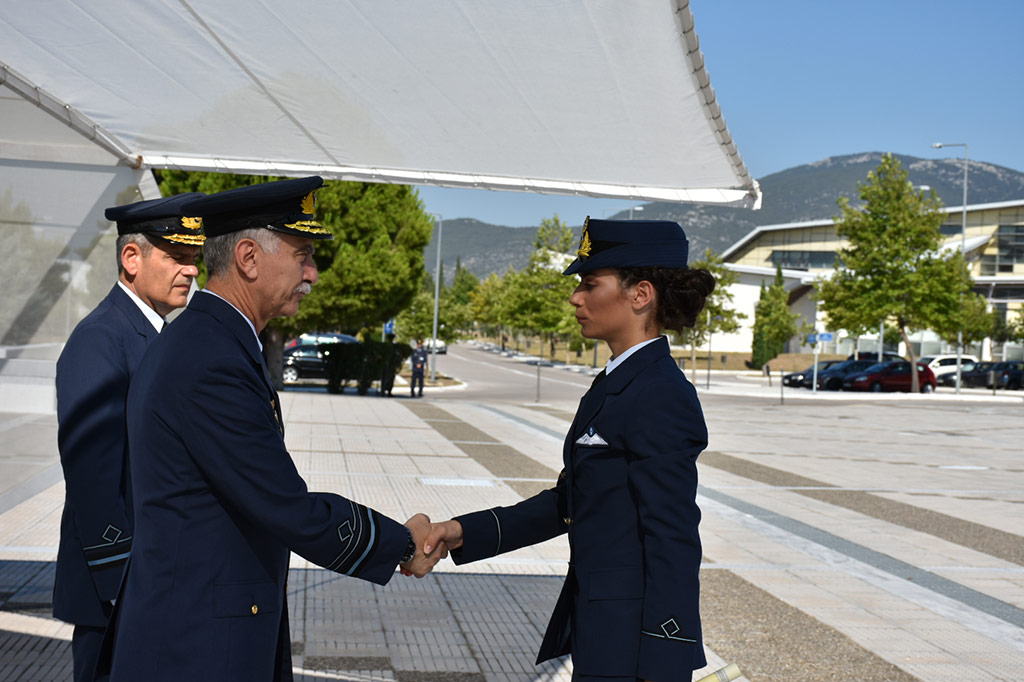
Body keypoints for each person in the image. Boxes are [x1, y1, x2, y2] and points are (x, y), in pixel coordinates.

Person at [104, 177, 443, 681]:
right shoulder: (210, 359)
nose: (313, 275)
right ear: (248, 257)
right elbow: (285, 505)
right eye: (303, 254)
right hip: (195, 646)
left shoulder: (213, 341)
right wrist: (401, 543)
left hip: (202, 626)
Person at [424, 217, 715, 681]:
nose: (576, 297)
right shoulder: (615, 384)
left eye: (590, 283)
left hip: (634, 648)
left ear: (640, 295)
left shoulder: (659, 393)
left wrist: (667, 654)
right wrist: (461, 531)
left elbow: (672, 536)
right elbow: (570, 504)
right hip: (601, 631)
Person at [53, 192, 204, 682]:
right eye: (177, 257)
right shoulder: (101, 339)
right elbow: (92, 477)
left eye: (195, 259)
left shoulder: (153, 335)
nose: (191, 271)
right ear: (131, 258)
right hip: (118, 593)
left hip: (152, 584)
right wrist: (125, 584)